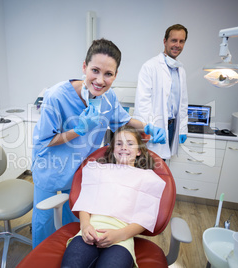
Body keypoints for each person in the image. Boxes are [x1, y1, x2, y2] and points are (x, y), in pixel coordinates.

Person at [31, 39, 166, 248]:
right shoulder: (57, 97)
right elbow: (46, 140)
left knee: (75, 217)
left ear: (115, 75)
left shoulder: (108, 98)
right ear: (84, 67)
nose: (100, 80)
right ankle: (40, 257)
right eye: (95, 70)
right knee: (45, 220)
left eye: (108, 74)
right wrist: (78, 130)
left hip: (79, 169)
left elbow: (124, 120)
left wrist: (148, 127)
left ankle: (69, 252)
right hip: (50, 167)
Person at [61, 125, 166, 268]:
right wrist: (85, 226)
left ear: (139, 151)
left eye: (130, 144)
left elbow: (144, 218)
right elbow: (85, 202)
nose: (124, 147)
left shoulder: (147, 179)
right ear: (112, 148)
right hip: (90, 231)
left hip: (122, 237)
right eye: (119, 143)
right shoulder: (98, 170)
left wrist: (119, 235)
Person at [134, 24, 189, 160]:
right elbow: (143, 103)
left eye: (181, 41)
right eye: (174, 40)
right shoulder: (150, 66)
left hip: (172, 127)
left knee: (162, 166)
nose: (177, 45)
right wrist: (148, 130)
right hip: (155, 127)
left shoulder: (181, 70)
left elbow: (182, 103)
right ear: (165, 41)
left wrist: (182, 128)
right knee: (148, 166)